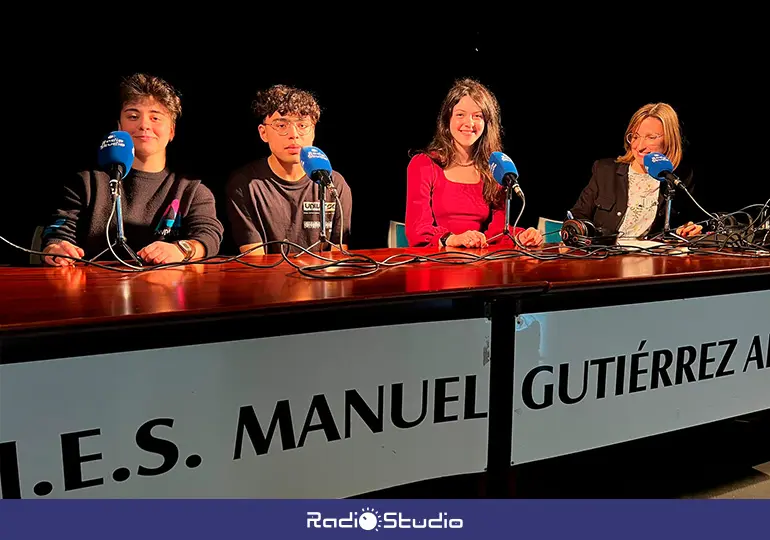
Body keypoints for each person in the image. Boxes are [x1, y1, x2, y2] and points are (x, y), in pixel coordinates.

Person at [41, 73, 224, 266]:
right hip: (96, 290)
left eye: (155, 117)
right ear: (119, 126)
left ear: (172, 131)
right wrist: (56, 248)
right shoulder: (86, 184)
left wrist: (181, 249)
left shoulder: (192, 191)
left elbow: (208, 236)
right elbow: (57, 232)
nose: (144, 125)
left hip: (164, 289)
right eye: (133, 116)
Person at [405, 78, 543, 249]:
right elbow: (418, 229)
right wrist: (454, 239)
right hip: (436, 262)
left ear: (486, 123)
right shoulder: (424, 164)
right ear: (448, 119)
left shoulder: (494, 169)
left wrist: (522, 236)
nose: (469, 123)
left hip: (479, 263)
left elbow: (499, 232)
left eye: (477, 116)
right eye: (460, 114)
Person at [226, 84, 352, 255]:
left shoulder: (333, 182)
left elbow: (338, 256)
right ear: (263, 133)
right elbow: (254, 261)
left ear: (313, 131)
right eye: (281, 125)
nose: (294, 134)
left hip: (320, 279)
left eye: (302, 125)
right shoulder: (245, 184)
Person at [569, 102, 702, 240]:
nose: (639, 146)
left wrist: (688, 229)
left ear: (669, 140)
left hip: (651, 258)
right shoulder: (605, 171)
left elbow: (688, 223)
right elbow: (578, 216)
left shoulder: (679, 177)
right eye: (635, 136)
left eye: (651, 137)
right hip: (603, 256)